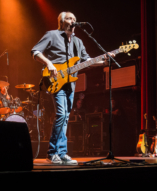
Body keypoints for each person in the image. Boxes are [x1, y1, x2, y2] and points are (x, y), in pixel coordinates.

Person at [31, 11, 115, 164]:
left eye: (74, 19)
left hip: (71, 82)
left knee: (65, 118)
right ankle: (51, 153)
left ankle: (62, 153)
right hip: (55, 80)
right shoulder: (51, 35)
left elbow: (87, 60)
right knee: (61, 114)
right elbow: (35, 52)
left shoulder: (78, 42)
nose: (73, 21)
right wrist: (49, 63)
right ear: (61, 22)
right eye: (69, 19)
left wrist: (104, 60)